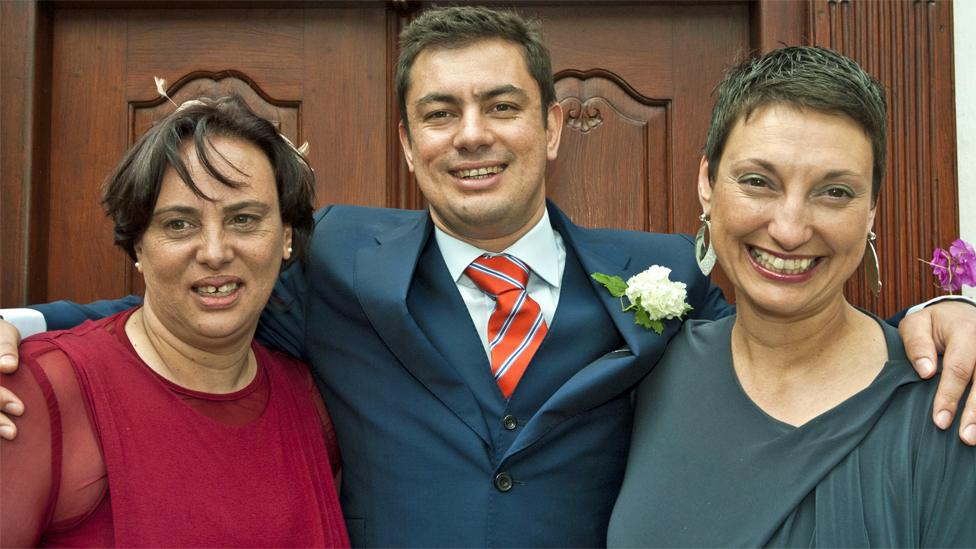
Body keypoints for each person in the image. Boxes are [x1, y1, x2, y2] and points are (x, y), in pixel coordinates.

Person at [0, 7, 975, 547]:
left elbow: (801, 307)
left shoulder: (671, 272)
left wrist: (942, 312)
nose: (472, 134)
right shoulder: (339, 256)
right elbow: (193, 296)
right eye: (441, 112)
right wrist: (26, 322)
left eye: (502, 105)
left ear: (551, 126)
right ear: (407, 143)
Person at [607, 46, 976, 546]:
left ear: (871, 212)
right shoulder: (642, 374)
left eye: (835, 192)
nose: (789, 229)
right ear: (707, 184)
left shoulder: (947, 411)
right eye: (758, 182)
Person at [0, 96, 349, 547]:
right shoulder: (36, 392)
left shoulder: (310, 400)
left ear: (285, 239)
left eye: (243, 219)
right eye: (180, 224)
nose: (215, 251)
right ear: (138, 245)